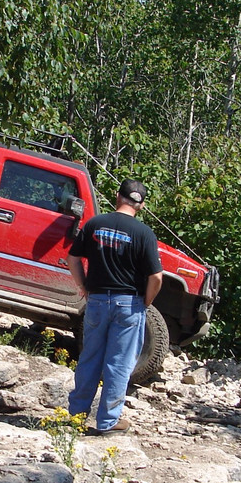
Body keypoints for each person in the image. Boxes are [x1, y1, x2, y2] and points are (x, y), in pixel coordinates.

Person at [67, 178, 163, 436]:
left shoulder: (95, 224)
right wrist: (146, 302)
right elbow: (156, 277)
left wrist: (85, 286)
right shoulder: (144, 234)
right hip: (129, 304)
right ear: (141, 206)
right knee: (118, 364)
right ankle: (108, 422)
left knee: (89, 358)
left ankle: (76, 417)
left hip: (97, 300)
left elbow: (73, 257)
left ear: (117, 196)